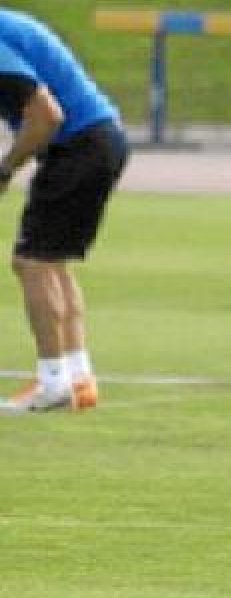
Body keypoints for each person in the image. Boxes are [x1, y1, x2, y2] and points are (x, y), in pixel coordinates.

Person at [0, 9, 129, 415]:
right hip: (100, 139)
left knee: (31, 262)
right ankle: (78, 377)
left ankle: (52, 382)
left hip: (78, 145)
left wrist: (6, 169)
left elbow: (47, 116)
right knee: (52, 262)